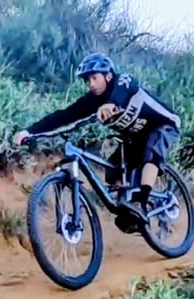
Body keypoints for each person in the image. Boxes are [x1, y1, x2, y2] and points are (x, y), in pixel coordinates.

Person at [12, 52, 181, 232]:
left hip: (163, 124)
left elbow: (125, 90)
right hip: (135, 137)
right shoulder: (93, 101)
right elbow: (63, 116)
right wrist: (30, 131)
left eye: (94, 78)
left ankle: (141, 203)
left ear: (107, 76)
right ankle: (127, 209)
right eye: (87, 80)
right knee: (114, 171)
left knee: (151, 152)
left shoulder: (122, 81)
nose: (91, 84)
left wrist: (112, 104)